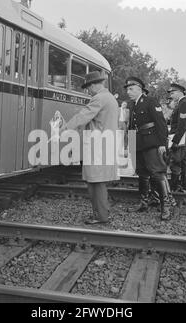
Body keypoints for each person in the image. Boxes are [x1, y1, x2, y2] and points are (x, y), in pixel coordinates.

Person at [61, 71, 119, 225]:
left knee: (96, 182)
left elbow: (83, 116)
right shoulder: (111, 98)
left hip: (97, 146)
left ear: (94, 85)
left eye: (88, 87)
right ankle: (102, 213)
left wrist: (65, 128)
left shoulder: (99, 98)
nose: (88, 90)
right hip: (104, 144)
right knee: (97, 181)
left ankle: (101, 216)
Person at [126, 76, 176, 220]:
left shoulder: (150, 101)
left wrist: (162, 144)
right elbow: (131, 126)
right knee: (142, 173)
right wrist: (131, 144)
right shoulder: (132, 105)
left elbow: (160, 123)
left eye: (131, 89)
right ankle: (144, 202)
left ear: (140, 89)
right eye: (127, 89)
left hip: (152, 142)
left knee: (158, 173)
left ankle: (166, 206)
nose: (128, 92)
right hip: (138, 142)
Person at [167, 83, 186, 191]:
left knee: (176, 163)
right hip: (183, 139)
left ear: (179, 92)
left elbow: (182, 125)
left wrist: (175, 141)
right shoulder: (182, 103)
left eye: (173, 93)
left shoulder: (184, 104)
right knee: (183, 164)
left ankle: (175, 188)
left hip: (181, 140)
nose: (171, 96)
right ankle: (182, 187)